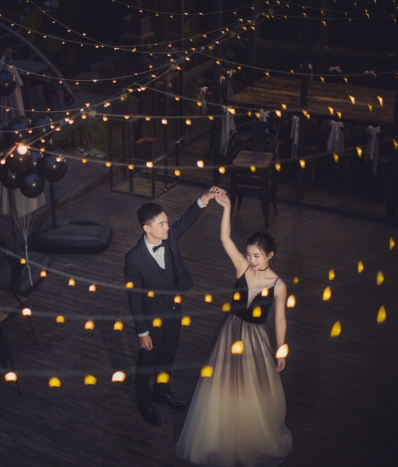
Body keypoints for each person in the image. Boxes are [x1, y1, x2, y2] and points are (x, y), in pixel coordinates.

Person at [174, 193, 292, 466]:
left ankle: (247, 435)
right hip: (231, 331)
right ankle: (220, 434)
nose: (251, 260)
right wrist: (226, 207)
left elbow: (281, 320)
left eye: (257, 256)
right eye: (249, 255)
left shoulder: (279, 285)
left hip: (255, 338)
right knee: (222, 381)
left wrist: (282, 350)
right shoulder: (241, 267)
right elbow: (225, 239)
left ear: (270, 255)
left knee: (251, 385)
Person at [124, 187, 224, 426]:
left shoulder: (169, 239)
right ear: (147, 229)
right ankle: (143, 401)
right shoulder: (134, 258)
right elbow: (134, 298)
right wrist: (142, 332)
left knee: (168, 355)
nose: (167, 227)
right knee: (147, 361)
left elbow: (187, 220)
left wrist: (205, 198)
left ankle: (161, 391)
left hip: (174, 311)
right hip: (152, 320)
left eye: (167, 222)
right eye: (161, 224)